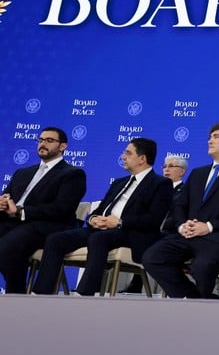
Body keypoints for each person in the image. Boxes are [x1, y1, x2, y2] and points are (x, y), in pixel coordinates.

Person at [32, 138, 172, 296]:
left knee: (99, 239)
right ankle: (41, 293)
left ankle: (85, 293)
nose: (123, 157)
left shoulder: (160, 184)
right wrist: (93, 219)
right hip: (101, 229)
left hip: (132, 233)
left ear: (142, 159)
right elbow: (100, 208)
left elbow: (153, 220)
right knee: (55, 239)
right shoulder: (119, 182)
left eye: (128, 153)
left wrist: (119, 223)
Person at [142, 121, 219, 299]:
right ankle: (195, 298)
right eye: (210, 137)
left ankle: (202, 305)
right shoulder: (198, 173)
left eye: (216, 137)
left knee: (201, 267)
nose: (210, 141)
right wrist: (182, 225)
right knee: (152, 257)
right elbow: (181, 205)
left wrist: (209, 226)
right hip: (188, 234)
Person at [0, 127, 87, 294]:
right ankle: (17, 292)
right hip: (14, 222)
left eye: (49, 140)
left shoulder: (72, 174)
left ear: (63, 146)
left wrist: (20, 211)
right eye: (40, 140)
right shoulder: (22, 173)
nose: (42, 144)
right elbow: (7, 197)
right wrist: (3, 204)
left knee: (6, 247)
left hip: (48, 225)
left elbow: (61, 209)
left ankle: (15, 293)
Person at [123, 155, 188, 295]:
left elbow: (177, 216)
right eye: (164, 166)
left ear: (182, 171)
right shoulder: (156, 188)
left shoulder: (185, 192)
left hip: (169, 231)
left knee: (150, 239)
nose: (166, 169)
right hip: (149, 228)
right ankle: (136, 283)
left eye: (171, 166)